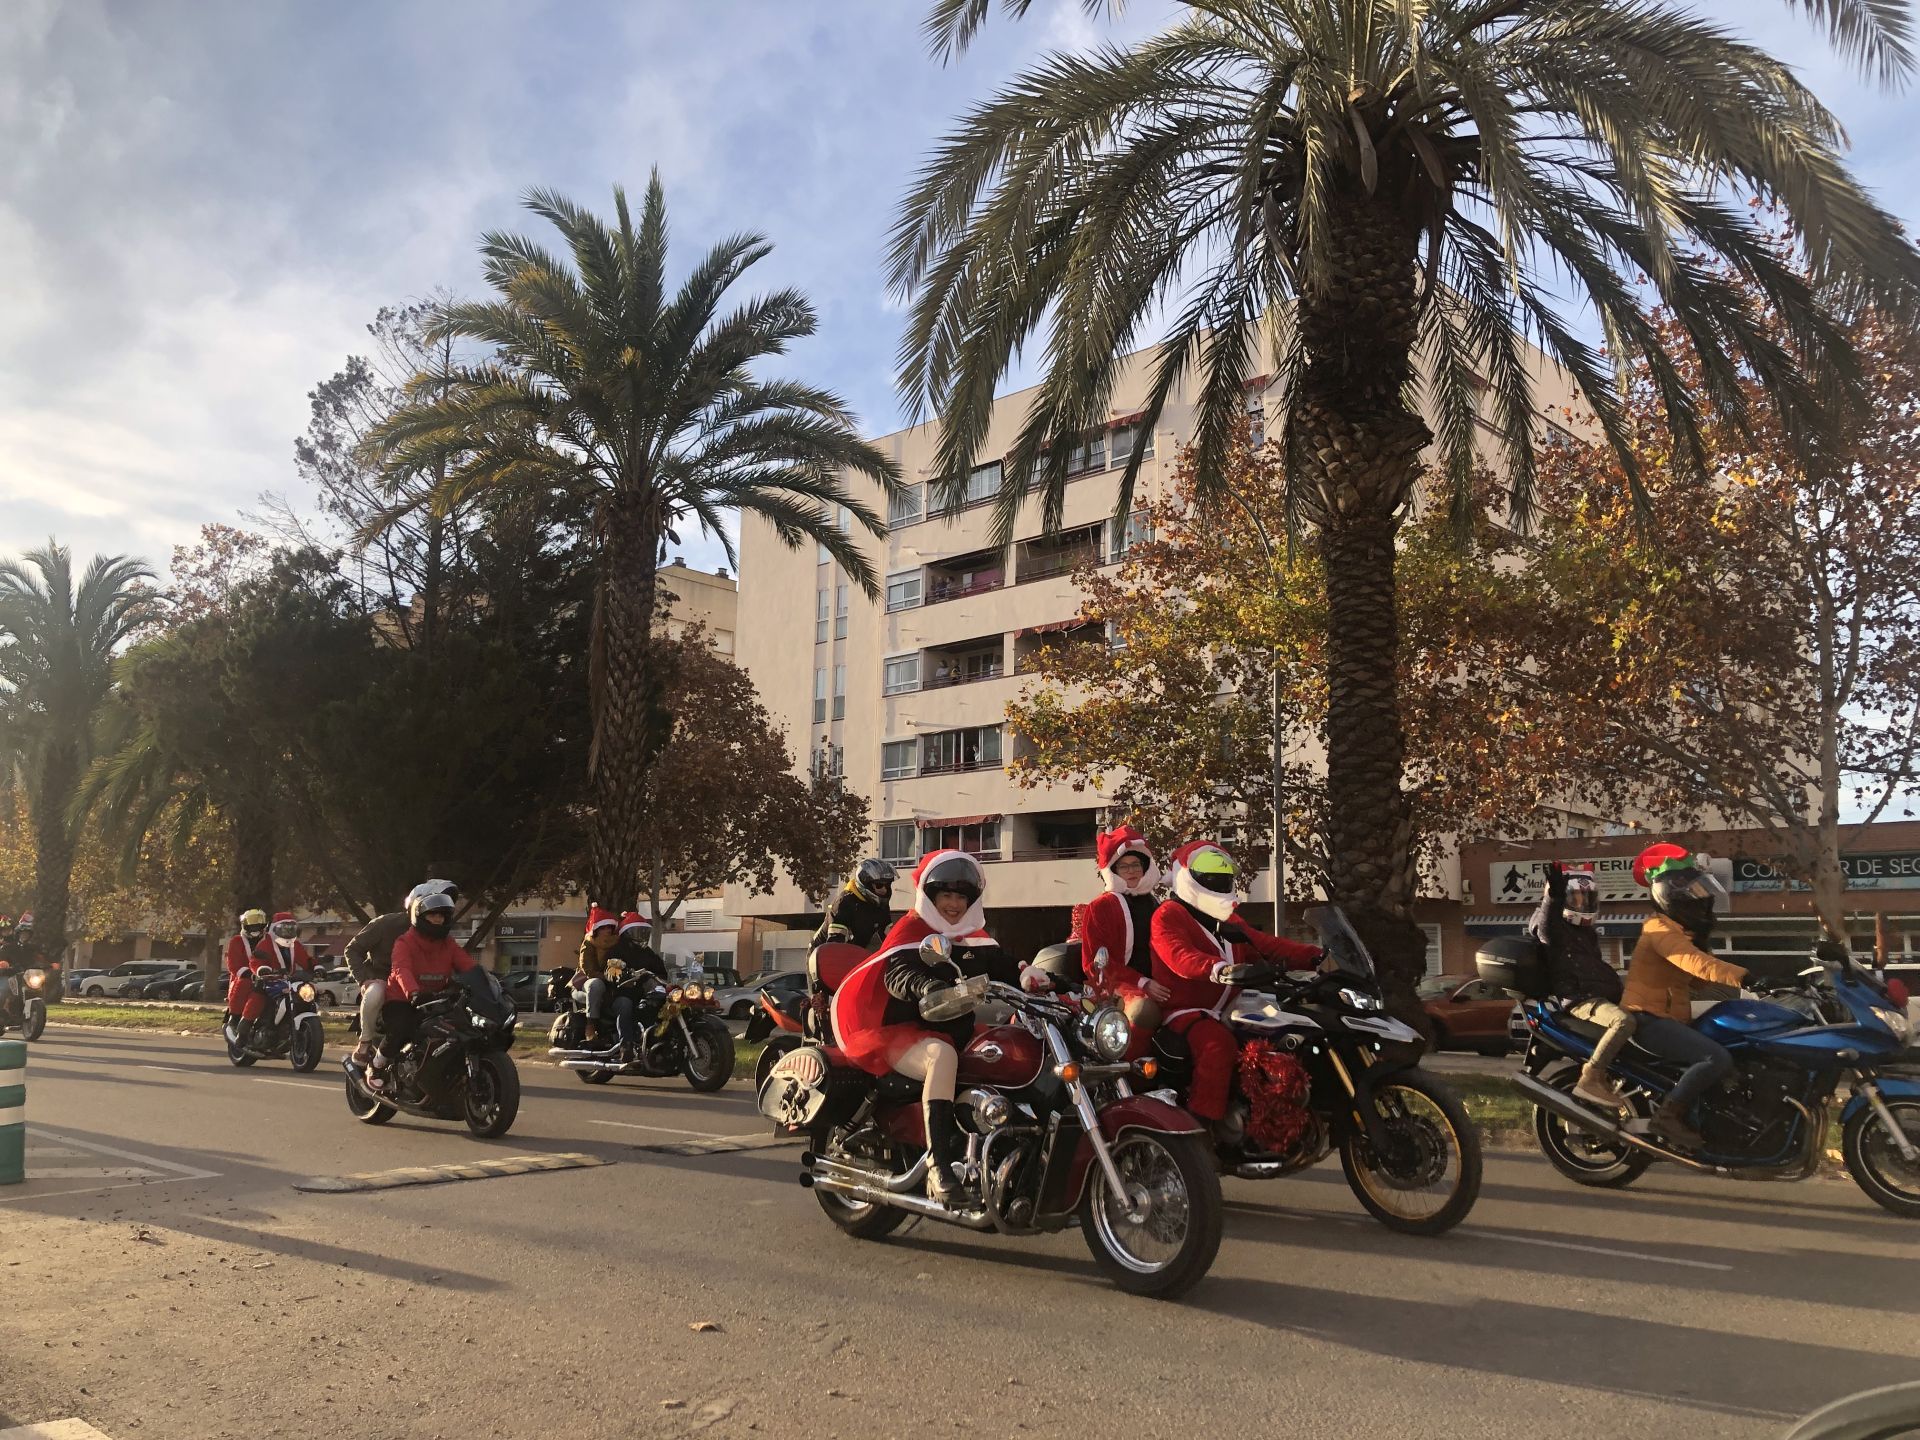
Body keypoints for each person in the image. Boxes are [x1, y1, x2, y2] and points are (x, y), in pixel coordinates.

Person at [831, 850, 1021, 1201]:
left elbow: (1010, 971)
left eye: (961, 896)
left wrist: (1048, 980)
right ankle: (938, 1165)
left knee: (1007, 1049)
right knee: (942, 1057)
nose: (953, 904)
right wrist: (927, 986)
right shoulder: (912, 929)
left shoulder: (974, 936)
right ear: (931, 897)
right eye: (946, 895)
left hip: (956, 1030)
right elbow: (898, 971)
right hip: (904, 1033)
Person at [1151, 841, 1323, 1147]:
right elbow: (1178, 955)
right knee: (1217, 1045)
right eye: (1210, 878)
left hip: (1233, 1007)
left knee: (1283, 1030)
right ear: (1187, 877)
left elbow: (1266, 944)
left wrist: (1316, 955)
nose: (1218, 884)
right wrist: (1218, 969)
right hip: (1187, 1010)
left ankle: (1273, 1120)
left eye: (1223, 878)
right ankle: (1201, 1133)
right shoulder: (1168, 914)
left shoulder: (1230, 920)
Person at [1622, 843, 1748, 1149]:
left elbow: (1694, 978)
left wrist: (1743, 995)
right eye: (1693, 892)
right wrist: (1744, 975)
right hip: (1647, 1018)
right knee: (1714, 1057)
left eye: (1702, 891)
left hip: (1670, 1016)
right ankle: (1667, 1117)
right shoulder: (1658, 929)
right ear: (1671, 896)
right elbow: (1693, 962)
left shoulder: (1678, 931)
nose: (1701, 899)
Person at [1528, 863, 1635, 1110]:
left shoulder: (1586, 933)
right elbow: (1546, 928)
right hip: (1579, 999)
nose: (1582, 903)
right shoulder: (1554, 929)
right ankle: (1591, 1077)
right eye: (1576, 897)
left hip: (1599, 995)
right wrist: (1552, 897)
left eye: (1587, 897)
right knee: (1623, 1022)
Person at [368, 888, 476, 1093]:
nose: (438, 919)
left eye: (442, 915)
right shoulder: (404, 942)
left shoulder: (449, 944)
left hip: (437, 999)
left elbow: (468, 965)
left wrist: (487, 982)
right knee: (401, 1026)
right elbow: (401, 969)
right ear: (420, 916)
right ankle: (377, 1066)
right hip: (403, 999)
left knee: (464, 1028)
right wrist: (413, 992)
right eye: (433, 914)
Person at [345, 881, 458, 1066]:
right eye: (434, 904)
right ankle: (364, 1045)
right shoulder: (385, 924)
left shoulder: (440, 933)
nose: (439, 912)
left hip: (422, 987)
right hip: (385, 982)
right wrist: (364, 979)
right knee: (376, 993)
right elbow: (352, 950)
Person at [1076, 825, 1170, 1040]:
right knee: (1144, 1011)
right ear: (1113, 870)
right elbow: (1093, 964)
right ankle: (1132, 1065)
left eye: (1136, 865)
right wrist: (1142, 983)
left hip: (1158, 982)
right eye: (1124, 867)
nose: (1131, 871)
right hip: (1118, 986)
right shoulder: (1100, 907)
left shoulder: (1156, 904)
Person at [608, 912, 670, 1059]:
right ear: (627, 933)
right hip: (621, 993)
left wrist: (671, 977)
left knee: (664, 1003)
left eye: (644, 931)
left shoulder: (648, 953)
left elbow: (661, 971)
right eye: (637, 931)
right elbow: (610, 969)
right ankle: (625, 1045)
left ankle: (663, 1042)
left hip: (643, 993)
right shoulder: (617, 950)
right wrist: (621, 974)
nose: (641, 935)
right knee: (625, 1005)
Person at [812, 860, 896, 951]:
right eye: (879, 885)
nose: (885, 890)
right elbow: (835, 944)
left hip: (854, 953)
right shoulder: (844, 903)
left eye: (887, 885)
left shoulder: (880, 904)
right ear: (865, 883)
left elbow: (891, 938)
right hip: (820, 955)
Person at [573, 905, 621, 1049]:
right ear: (597, 929)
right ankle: (590, 1024)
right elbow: (588, 970)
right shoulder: (588, 943)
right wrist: (607, 977)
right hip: (585, 983)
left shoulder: (617, 943)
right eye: (604, 927)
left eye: (610, 928)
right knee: (595, 984)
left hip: (611, 983)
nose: (607, 930)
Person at [224, 908, 271, 1048]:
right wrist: (248, 973)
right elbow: (233, 964)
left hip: (267, 977)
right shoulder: (237, 941)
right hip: (242, 979)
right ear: (245, 926)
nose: (255, 928)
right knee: (244, 983)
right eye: (252, 925)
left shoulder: (269, 941)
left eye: (258, 925)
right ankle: (235, 1018)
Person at [258, 911, 315, 976]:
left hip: (290, 980)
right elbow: (256, 961)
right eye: (284, 930)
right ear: (273, 929)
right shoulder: (266, 944)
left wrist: (316, 967)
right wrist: (262, 969)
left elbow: (305, 959)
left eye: (291, 930)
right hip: (270, 981)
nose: (288, 933)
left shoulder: (295, 944)